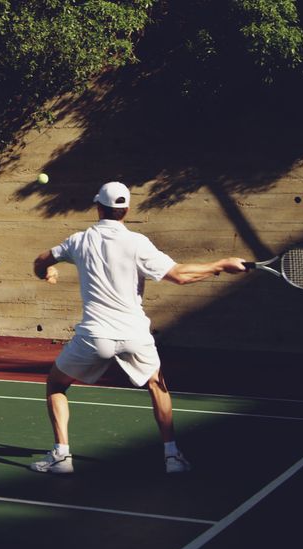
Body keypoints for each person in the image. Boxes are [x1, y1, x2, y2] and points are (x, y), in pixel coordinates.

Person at [30, 181, 247, 474]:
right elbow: (180, 276)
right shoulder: (137, 243)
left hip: (95, 336)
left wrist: (46, 271)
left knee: (56, 384)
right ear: (126, 210)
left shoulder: (78, 241)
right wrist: (220, 264)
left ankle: (62, 457)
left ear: (98, 207)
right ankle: (172, 457)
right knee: (158, 385)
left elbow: (41, 260)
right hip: (135, 335)